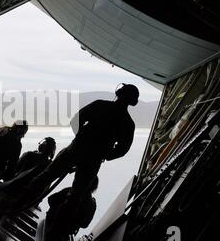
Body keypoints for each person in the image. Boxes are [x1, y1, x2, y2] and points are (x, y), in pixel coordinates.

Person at [8, 83, 139, 213]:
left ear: (119, 93)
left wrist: (80, 137)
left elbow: (76, 120)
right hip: (94, 160)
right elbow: (122, 150)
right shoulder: (128, 123)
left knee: (45, 177)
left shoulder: (100, 105)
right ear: (132, 101)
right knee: (75, 196)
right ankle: (57, 229)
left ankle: (16, 205)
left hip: (76, 149)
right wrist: (105, 154)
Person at [45, 176, 99, 241]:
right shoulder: (92, 205)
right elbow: (85, 224)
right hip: (66, 232)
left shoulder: (70, 190)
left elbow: (51, 200)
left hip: (50, 222)